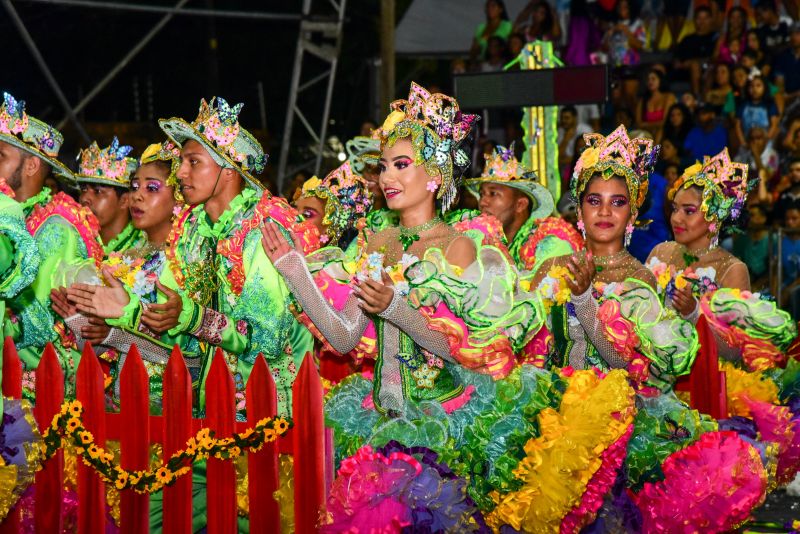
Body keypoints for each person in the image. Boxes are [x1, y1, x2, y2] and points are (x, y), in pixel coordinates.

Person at [264, 83, 627, 531]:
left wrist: (395, 307)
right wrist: (293, 271)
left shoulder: (460, 246)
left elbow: (453, 346)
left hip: (444, 418)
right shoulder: (375, 241)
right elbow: (343, 337)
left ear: (435, 174)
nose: (386, 178)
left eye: (401, 165)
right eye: (383, 167)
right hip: (374, 417)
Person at [528, 128, 768, 532]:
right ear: (578, 210)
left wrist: (585, 302)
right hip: (548, 425)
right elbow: (521, 349)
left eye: (617, 202)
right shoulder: (551, 268)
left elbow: (636, 370)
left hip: (618, 434)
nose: (604, 212)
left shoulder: (642, 281)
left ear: (633, 214)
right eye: (594, 201)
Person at [67, 97, 319, 417]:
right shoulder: (197, 233)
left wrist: (188, 316)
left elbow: (260, 339)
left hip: (271, 416)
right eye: (182, 162)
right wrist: (127, 311)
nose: (181, 172)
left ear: (228, 170)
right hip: (212, 409)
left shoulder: (262, 231)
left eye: (194, 162)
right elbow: (191, 348)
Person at [647, 151, 800, 485]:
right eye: (675, 208)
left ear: (714, 219)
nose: (678, 219)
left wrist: (693, 314)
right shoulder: (660, 253)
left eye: (690, 211)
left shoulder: (732, 269)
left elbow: (734, 352)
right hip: (657, 382)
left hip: (704, 390)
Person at [0, 92, 101, 399]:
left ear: (31, 166)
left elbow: (39, 320)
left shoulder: (56, 226)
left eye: (1, 156)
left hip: (43, 388)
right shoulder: (18, 212)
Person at [463, 143, 583, 272]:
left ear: (520, 205)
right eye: (482, 194)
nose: (483, 202)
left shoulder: (550, 243)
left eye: (493, 193)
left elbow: (544, 291)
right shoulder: (480, 240)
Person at [72, 138, 146, 256]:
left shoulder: (144, 249)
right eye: (83, 189)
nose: (85, 198)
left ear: (125, 200)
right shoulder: (73, 243)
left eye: (98, 191)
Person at [292, 161, 373, 250]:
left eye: (307, 214)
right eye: (293, 210)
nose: (295, 218)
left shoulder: (336, 264)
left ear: (330, 229)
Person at [603, 0, 646, 103]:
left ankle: (631, 119)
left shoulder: (637, 24)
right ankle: (619, 120)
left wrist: (626, 31)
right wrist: (609, 34)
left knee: (629, 97)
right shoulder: (611, 24)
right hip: (614, 67)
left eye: (625, 7)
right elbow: (604, 48)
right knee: (616, 98)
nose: (622, 9)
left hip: (630, 66)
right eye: (620, 6)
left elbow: (640, 45)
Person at [674, 6, 718, 96]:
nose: (702, 22)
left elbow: (713, 58)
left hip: (705, 69)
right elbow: (676, 59)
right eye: (699, 18)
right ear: (694, 20)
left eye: (705, 18)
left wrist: (692, 63)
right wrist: (681, 64)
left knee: (695, 65)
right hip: (684, 71)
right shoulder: (687, 39)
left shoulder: (715, 38)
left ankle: (697, 98)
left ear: (711, 20)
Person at [735, 74, 780, 146]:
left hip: (766, 144)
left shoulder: (769, 104)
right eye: (751, 86)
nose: (754, 89)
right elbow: (737, 126)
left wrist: (766, 141)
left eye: (758, 86)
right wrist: (743, 143)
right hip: (747, 143)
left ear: (765, 87)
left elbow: (774, 125)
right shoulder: (743, 105)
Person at [636, 69, 677, 141]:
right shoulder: (643, 100)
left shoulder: (668, 97)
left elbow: (665, 121)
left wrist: (647, 124)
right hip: (647, 134)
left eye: (653, 79)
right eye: (648, 79)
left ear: (660, 80)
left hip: (664, 132)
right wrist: (655, 125)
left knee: (660, 131)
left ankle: (655, 151)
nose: (650, 82)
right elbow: (639, 123)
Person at [557, 105, 592, 176]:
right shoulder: (560, 131)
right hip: (566, 169)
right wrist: (565, 139)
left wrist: (568, 160)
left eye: (566, 118)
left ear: (575, 118)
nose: (563, 121)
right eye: (562, 118)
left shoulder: (586, 130)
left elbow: (589, 155)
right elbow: (558, 157)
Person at [774, 23, 800, 106]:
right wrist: (790, 96)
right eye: (791, 34)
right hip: (788, 99)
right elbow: (779, 84)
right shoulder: (783, 57)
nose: (794, 37)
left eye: (798, 33)